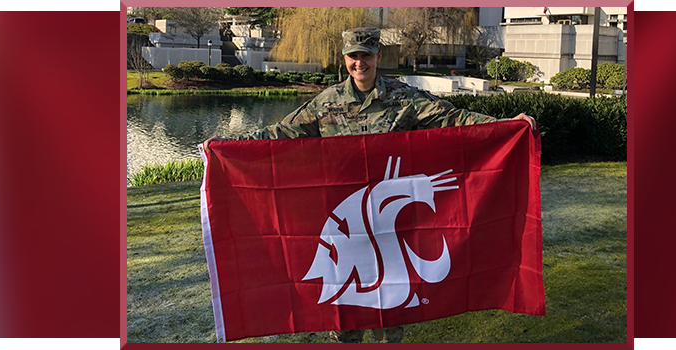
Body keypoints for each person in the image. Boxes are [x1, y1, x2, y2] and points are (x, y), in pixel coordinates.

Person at [202, 27, 536, 343]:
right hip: (345, 223)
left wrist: (508, 124)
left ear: (378, 56)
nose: (359, 63)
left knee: (390, 310)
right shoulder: (327, 102)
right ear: (344, 58)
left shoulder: (403, 98)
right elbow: (280, 134)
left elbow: (453, 119)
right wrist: (228, 144)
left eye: (366, 55)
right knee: (346, 311)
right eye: (352, 56)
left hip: (390, 226)